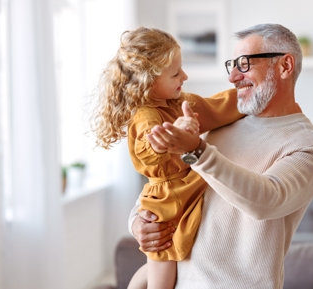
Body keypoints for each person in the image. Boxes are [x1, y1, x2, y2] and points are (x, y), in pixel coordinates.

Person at [129, 23, 313, 288]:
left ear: (284, 66)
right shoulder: (218, 124)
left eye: (245, 64)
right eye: (232, 65)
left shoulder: (309, 146)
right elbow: (167, 182)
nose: (233, 76)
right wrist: (138, 222)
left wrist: (196, 150)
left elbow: (266, 200)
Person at [89, 26, 243, 289]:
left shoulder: (179, 103)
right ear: (148, 81)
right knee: (162, 272)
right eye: (175, 73)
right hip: (165, 202)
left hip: (187, 184)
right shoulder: (146, 116)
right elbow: (149, 152)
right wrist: (173, 136)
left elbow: (216, 107)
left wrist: (247, 95)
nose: (184, 75)